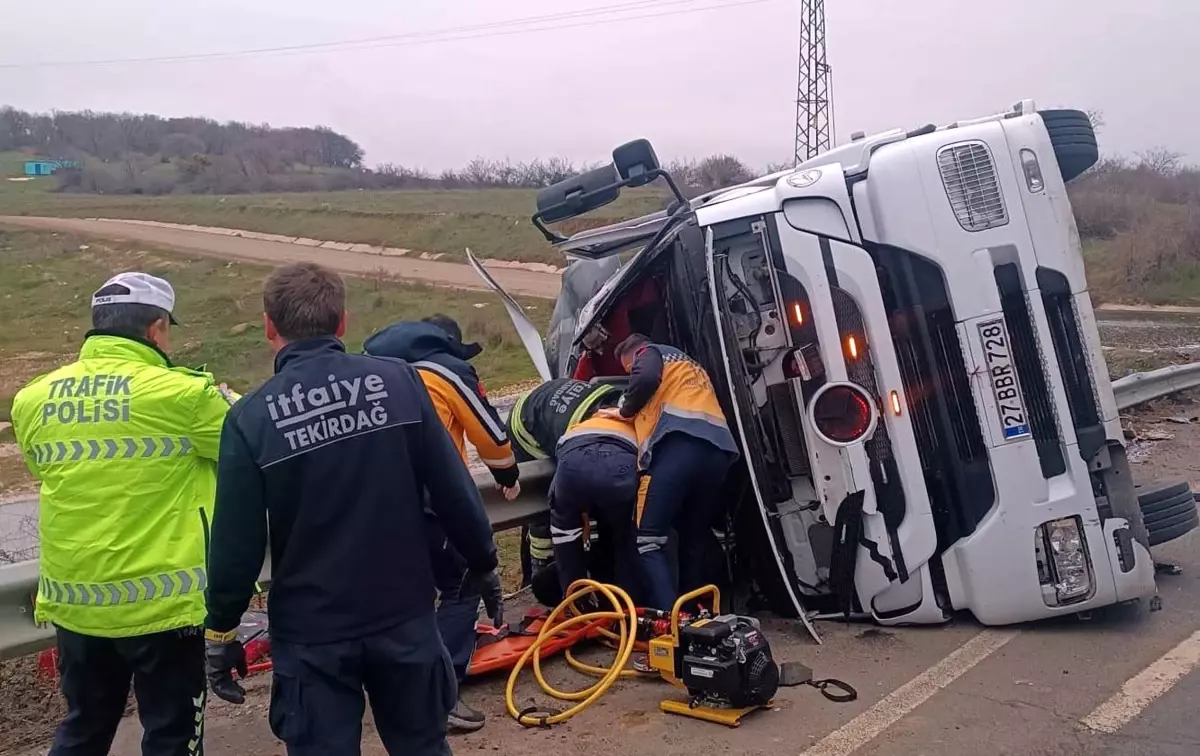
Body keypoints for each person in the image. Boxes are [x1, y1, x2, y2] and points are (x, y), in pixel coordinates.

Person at [203, 263, 502, 756]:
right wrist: (484, 562)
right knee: (424, 746)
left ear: (268, 326)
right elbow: (454, 490)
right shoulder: (401, 383)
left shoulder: (250, 419)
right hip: (403, 615)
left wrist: (222, 629)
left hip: (313, 633)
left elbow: (236, 544)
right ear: (343, 322)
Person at [11, 272, 235, 756]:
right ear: (156, 329)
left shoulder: (32, 399)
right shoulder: (184, 396)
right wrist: (228, 399)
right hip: (164, 605)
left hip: (77, 603)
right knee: (172, 735)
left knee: (85, 727)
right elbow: (241, 447)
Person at [362, 314, 518, 733]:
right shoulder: (445, 371)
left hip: (372, 506)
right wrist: (507, 475)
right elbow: (490, 435)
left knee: (406, 597)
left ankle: (398, 689)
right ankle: (440, 700)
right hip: (431, 502)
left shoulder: (371, 373)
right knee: (460, 588)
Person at [598, 334, 739, 611]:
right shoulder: (687, 365)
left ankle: (670, 624)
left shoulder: (651, 352)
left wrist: (626, 408)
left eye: (629, 371)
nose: (631, 375)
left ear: (635, 353)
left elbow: (646, 378)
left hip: (679, 445)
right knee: (692, 536)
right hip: (718, 452)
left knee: (648, 539)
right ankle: (695, 615)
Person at [505, 378, 622, 588]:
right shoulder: (586, 442)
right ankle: (542, 569)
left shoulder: (614, 415)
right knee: (553, 504)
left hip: (561, 411)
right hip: (527, 424)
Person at [548, 412, 643, 606]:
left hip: (572, 464)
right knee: (626, 540)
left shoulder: (580, 425)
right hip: (619, 463)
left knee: (565, 539)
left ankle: (576, 605)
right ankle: (630, 611)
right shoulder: (636, 424)